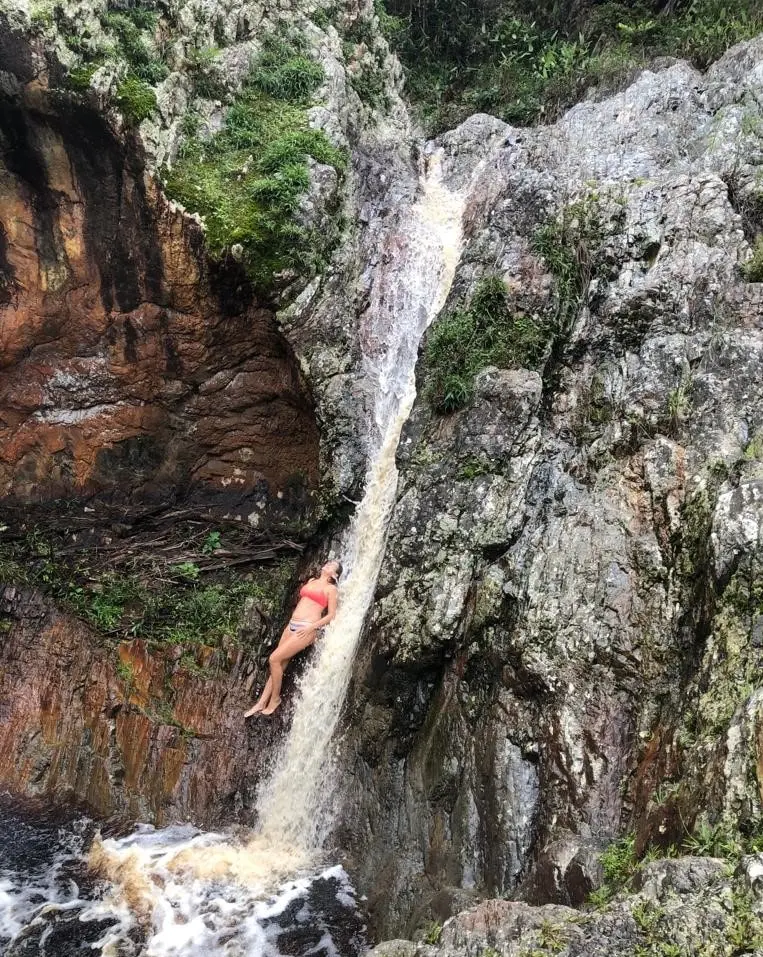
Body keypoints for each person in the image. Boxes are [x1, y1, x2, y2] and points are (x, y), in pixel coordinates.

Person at [244, 559, 342, 717]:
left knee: (274, 659)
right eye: (329, 562)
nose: (328, 564)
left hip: (306, 629)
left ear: (335, 575)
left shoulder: (331, 589)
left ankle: (275, 700)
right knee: (279, 665)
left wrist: (312, 627)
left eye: (332, 565)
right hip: (291, 626)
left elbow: (331, 615)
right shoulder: (312, 581)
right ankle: (261, 702)